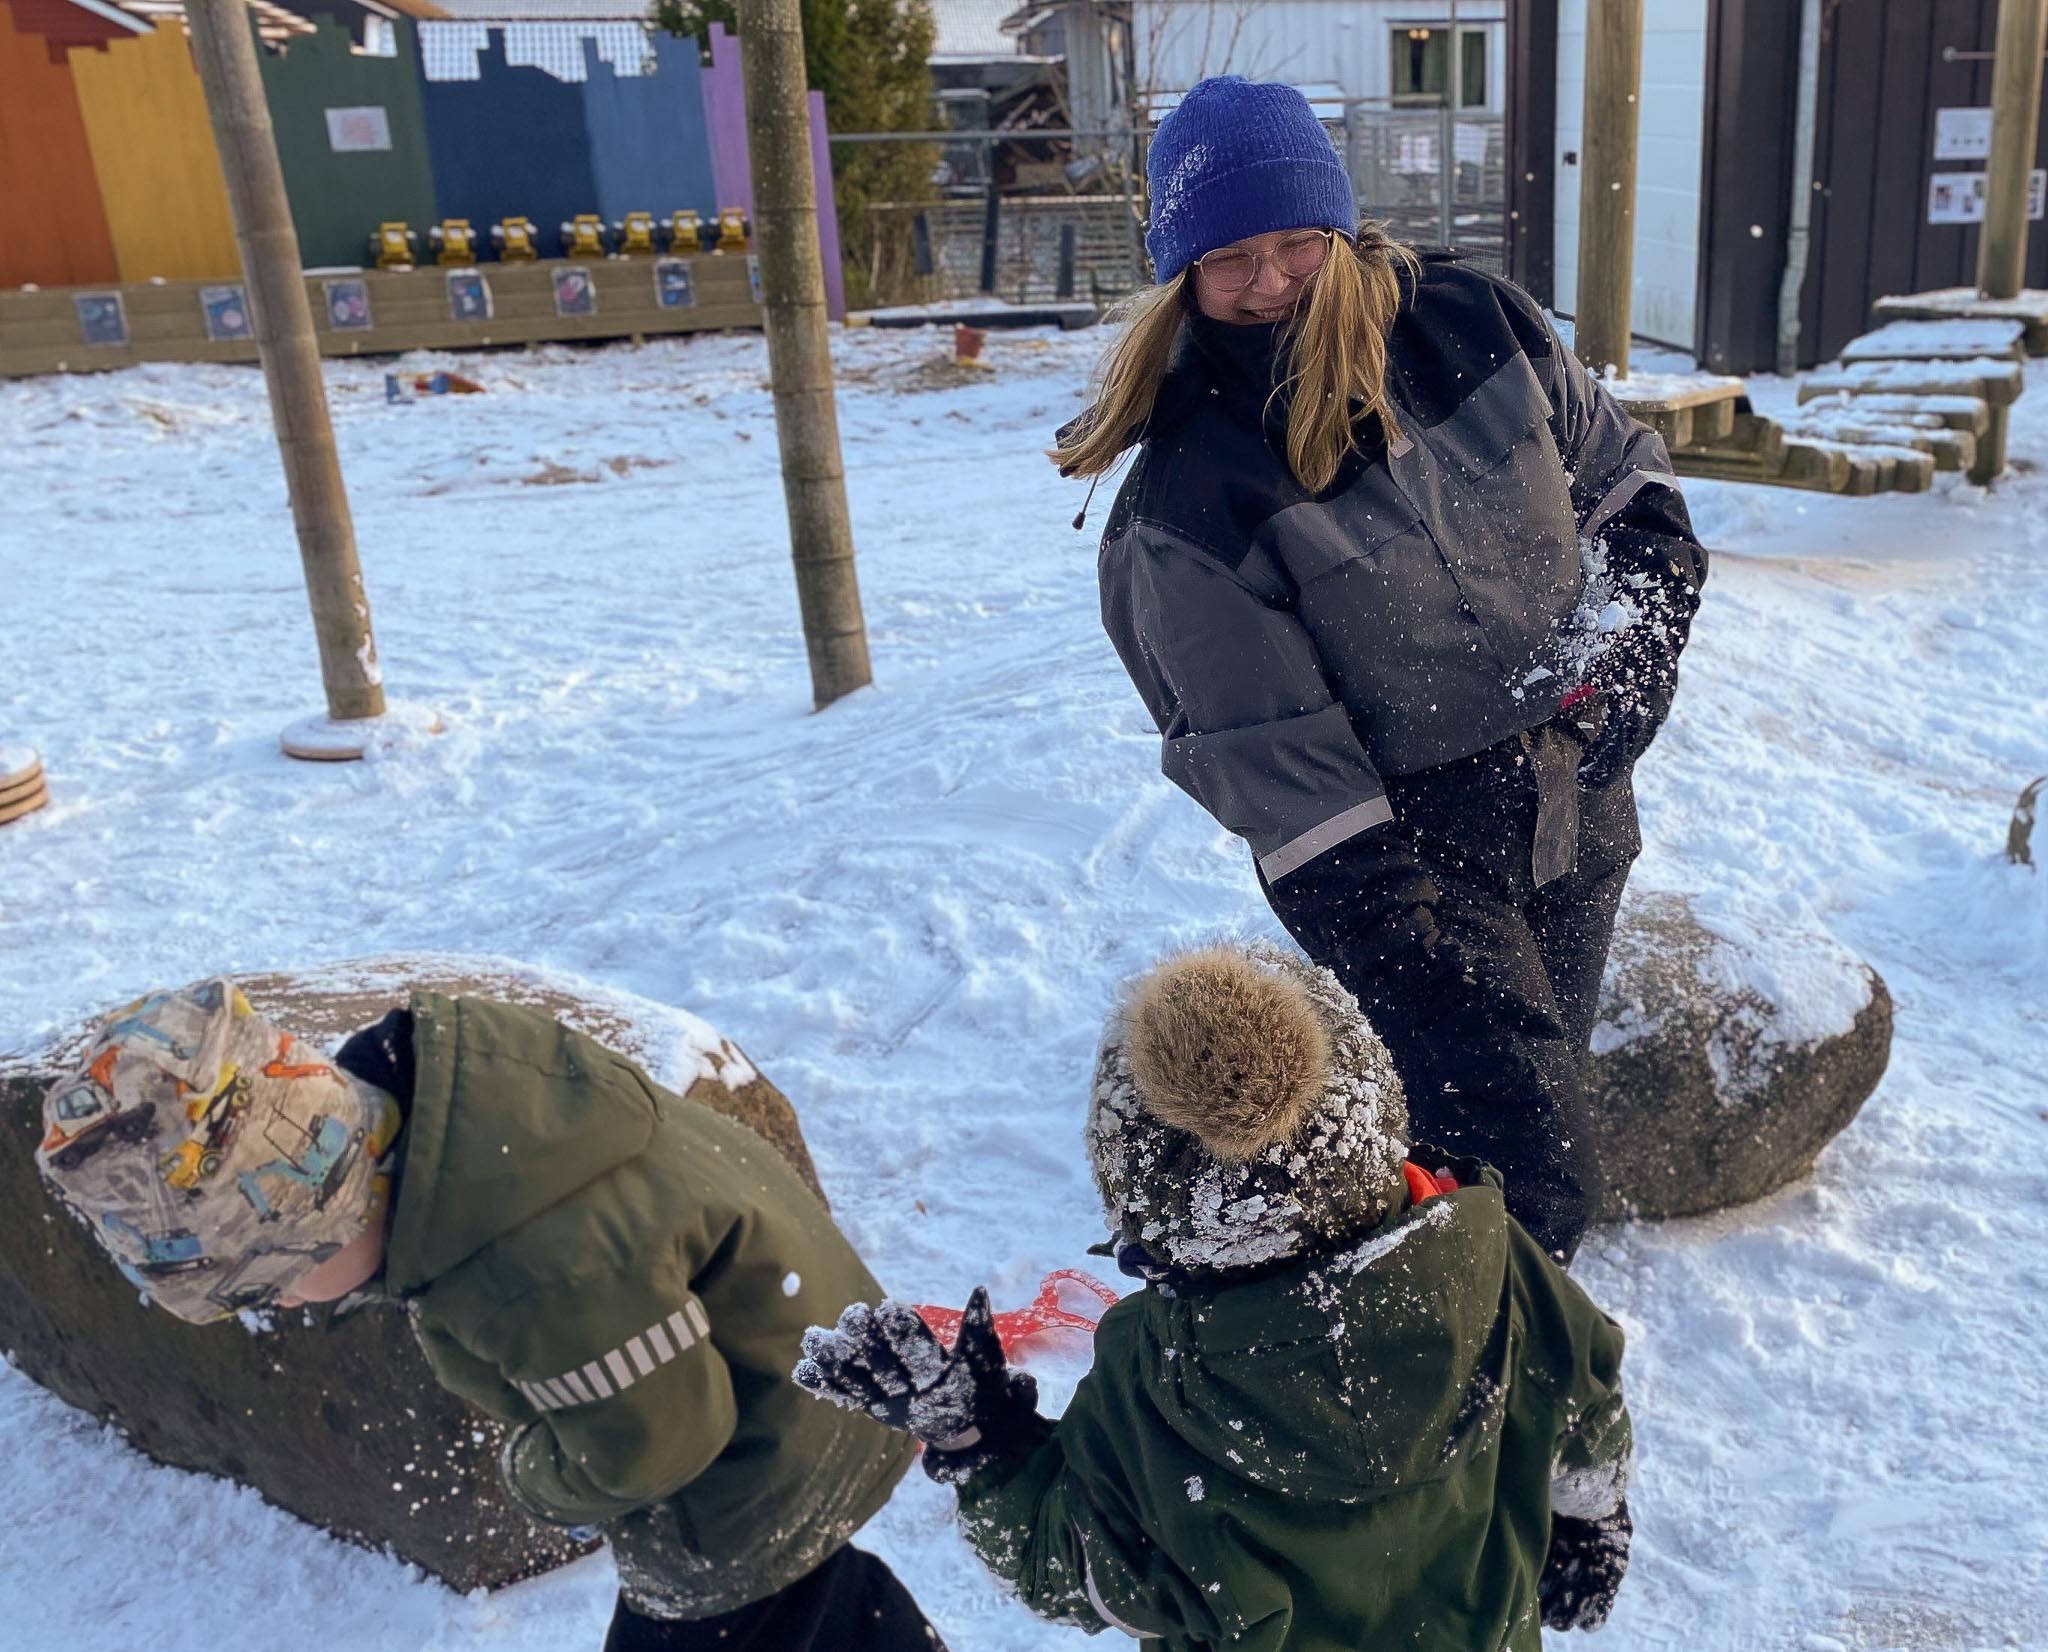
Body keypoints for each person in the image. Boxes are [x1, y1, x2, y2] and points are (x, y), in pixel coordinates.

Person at [1057, 77, 1709, 1264]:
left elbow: (1624, 485)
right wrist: (1422, 961)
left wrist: (1631, 648)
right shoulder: (1187, 504)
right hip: (1408, 856)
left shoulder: (1477, 321)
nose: (1268, 283)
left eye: (1295, 243)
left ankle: (1477, 1284)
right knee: (1523, 1157)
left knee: (1539, 1089)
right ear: (1178, 272)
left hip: (1579, 787)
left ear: (1340, 227)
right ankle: (1458, 1367)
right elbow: (1282, 774)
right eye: (1228, 258)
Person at [34, 978, 941, 1652]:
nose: (280, 1305)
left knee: (727, 1622)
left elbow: (652, 1444)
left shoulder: (529, 1271)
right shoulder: (465, 1121)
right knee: (808, 1614)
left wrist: (538, 1473)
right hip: (792, 1370)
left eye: (268, 1281)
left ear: (324, 1216)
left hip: (764, 1457)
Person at [794, 942, 1636, 1651]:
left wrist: (981, 1440)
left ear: (1154, 1218)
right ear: (1374, 1113)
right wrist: (1592, 1518)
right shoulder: (1500, 1268)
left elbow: (1076, 1570)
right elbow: (1587, 1416)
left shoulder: (1150, 1385)